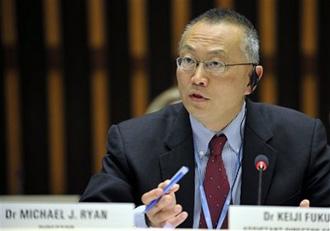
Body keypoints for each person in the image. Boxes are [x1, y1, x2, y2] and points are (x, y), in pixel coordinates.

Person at [80, 8, 330, 229]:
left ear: (251, 79)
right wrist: (143, 219)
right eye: (188, 60)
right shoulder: (133, 141)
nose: (197, 77)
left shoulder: (302, 139)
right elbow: (89, 220)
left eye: (215, 63)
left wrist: (315, 226)